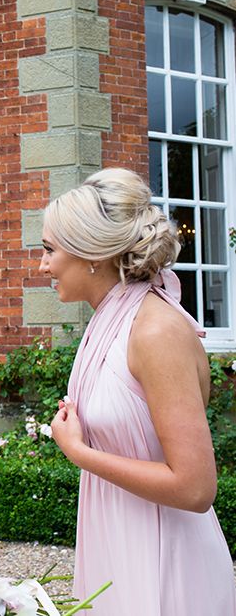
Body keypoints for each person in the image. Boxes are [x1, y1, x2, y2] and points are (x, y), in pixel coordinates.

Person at [41, 168, 236, 614]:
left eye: (50, 249)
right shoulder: (110, 321)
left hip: (165, 555)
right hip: (118, 539)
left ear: (92, 253)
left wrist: (80, 452)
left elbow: (195, 488)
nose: (43, 264)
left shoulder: (154, 330)